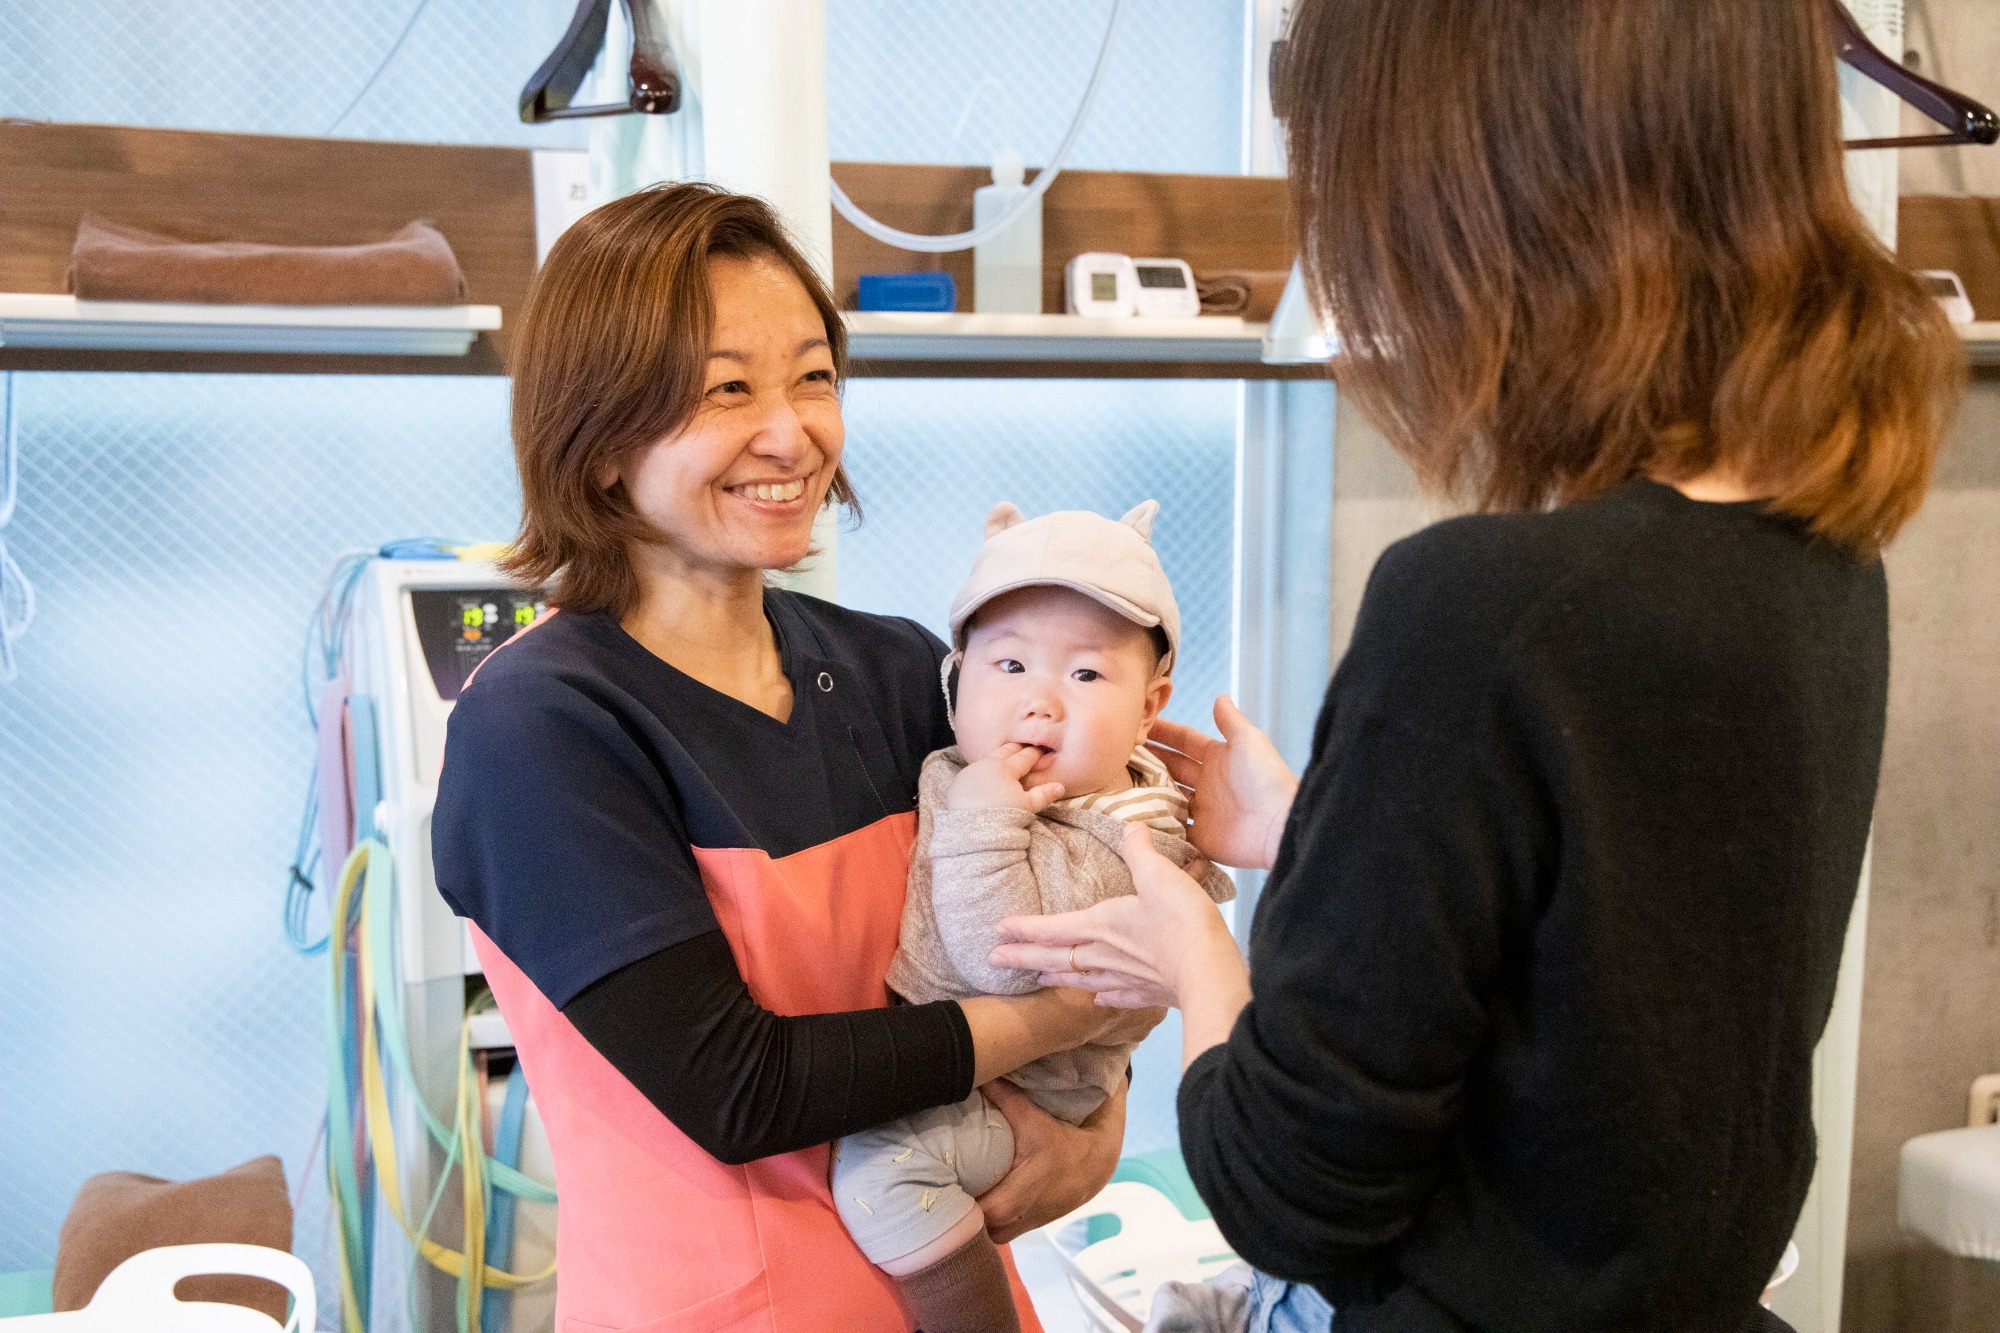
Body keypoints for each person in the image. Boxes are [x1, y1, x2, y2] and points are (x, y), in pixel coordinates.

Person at [990, 2, 1964, 1331]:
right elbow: (1616, 950)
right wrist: (1324, 831)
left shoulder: (1486, 609)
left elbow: (1286, 1188)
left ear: (1474, 190)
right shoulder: (1819, 559)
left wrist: (1193, 945)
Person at [431, 183, 1152, 1333]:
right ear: (601, 436)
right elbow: (740, 1085)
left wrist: (1095, 1135)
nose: (792, 431)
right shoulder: (541, 726)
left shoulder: (903, 670)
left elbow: (1068, 902)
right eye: (727, 388)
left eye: (812, 376)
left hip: (959, 1287)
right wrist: (1069, 1019)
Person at [833, 502, 1233, 1333]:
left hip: (1028, 1095)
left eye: (1086, 676)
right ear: (956, 677)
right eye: (1008, 665)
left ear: (1151, 706)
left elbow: (1005, 963)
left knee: (878, 1164)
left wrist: (982, 819)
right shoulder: (970, 767)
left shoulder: (1126, 836)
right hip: (965, 1070)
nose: (1040, 702)